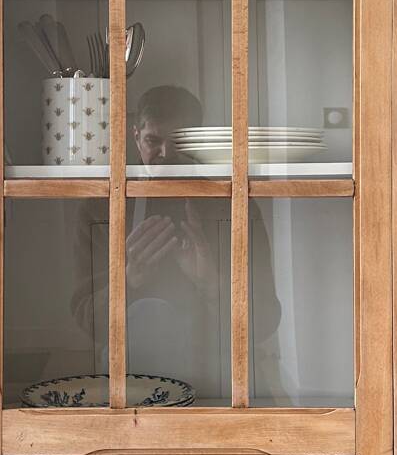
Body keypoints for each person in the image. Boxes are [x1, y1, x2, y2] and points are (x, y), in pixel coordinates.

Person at [71, 86, 281, 398]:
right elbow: (88, 323)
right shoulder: (99, 208)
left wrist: (211, 281)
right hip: (128, 391)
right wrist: (128, 280)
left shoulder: (236, 207)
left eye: (180, 142)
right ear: (135, 136)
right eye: (153, 141)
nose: (166, 154)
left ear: (198, 140)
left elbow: (264, 321)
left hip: (221, 388)